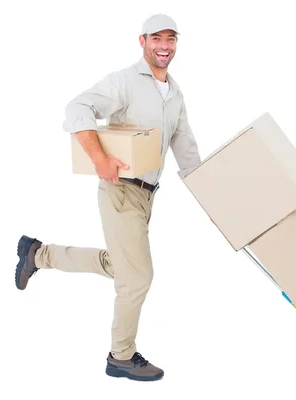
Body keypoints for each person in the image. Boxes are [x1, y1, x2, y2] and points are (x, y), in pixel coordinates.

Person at [14, 13, 201, 382]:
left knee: (122, 267)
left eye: (171, 39)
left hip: (148, 196)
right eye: (157, 39)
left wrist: (215, 198)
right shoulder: (125, 81)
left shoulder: (174, 92)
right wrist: (99, 158)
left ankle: (37, 254)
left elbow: (185, 145)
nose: (164, 46)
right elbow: (77, 108)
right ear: (142, 41)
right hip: (121, 190)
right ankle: (121, 356)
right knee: (138, 276)